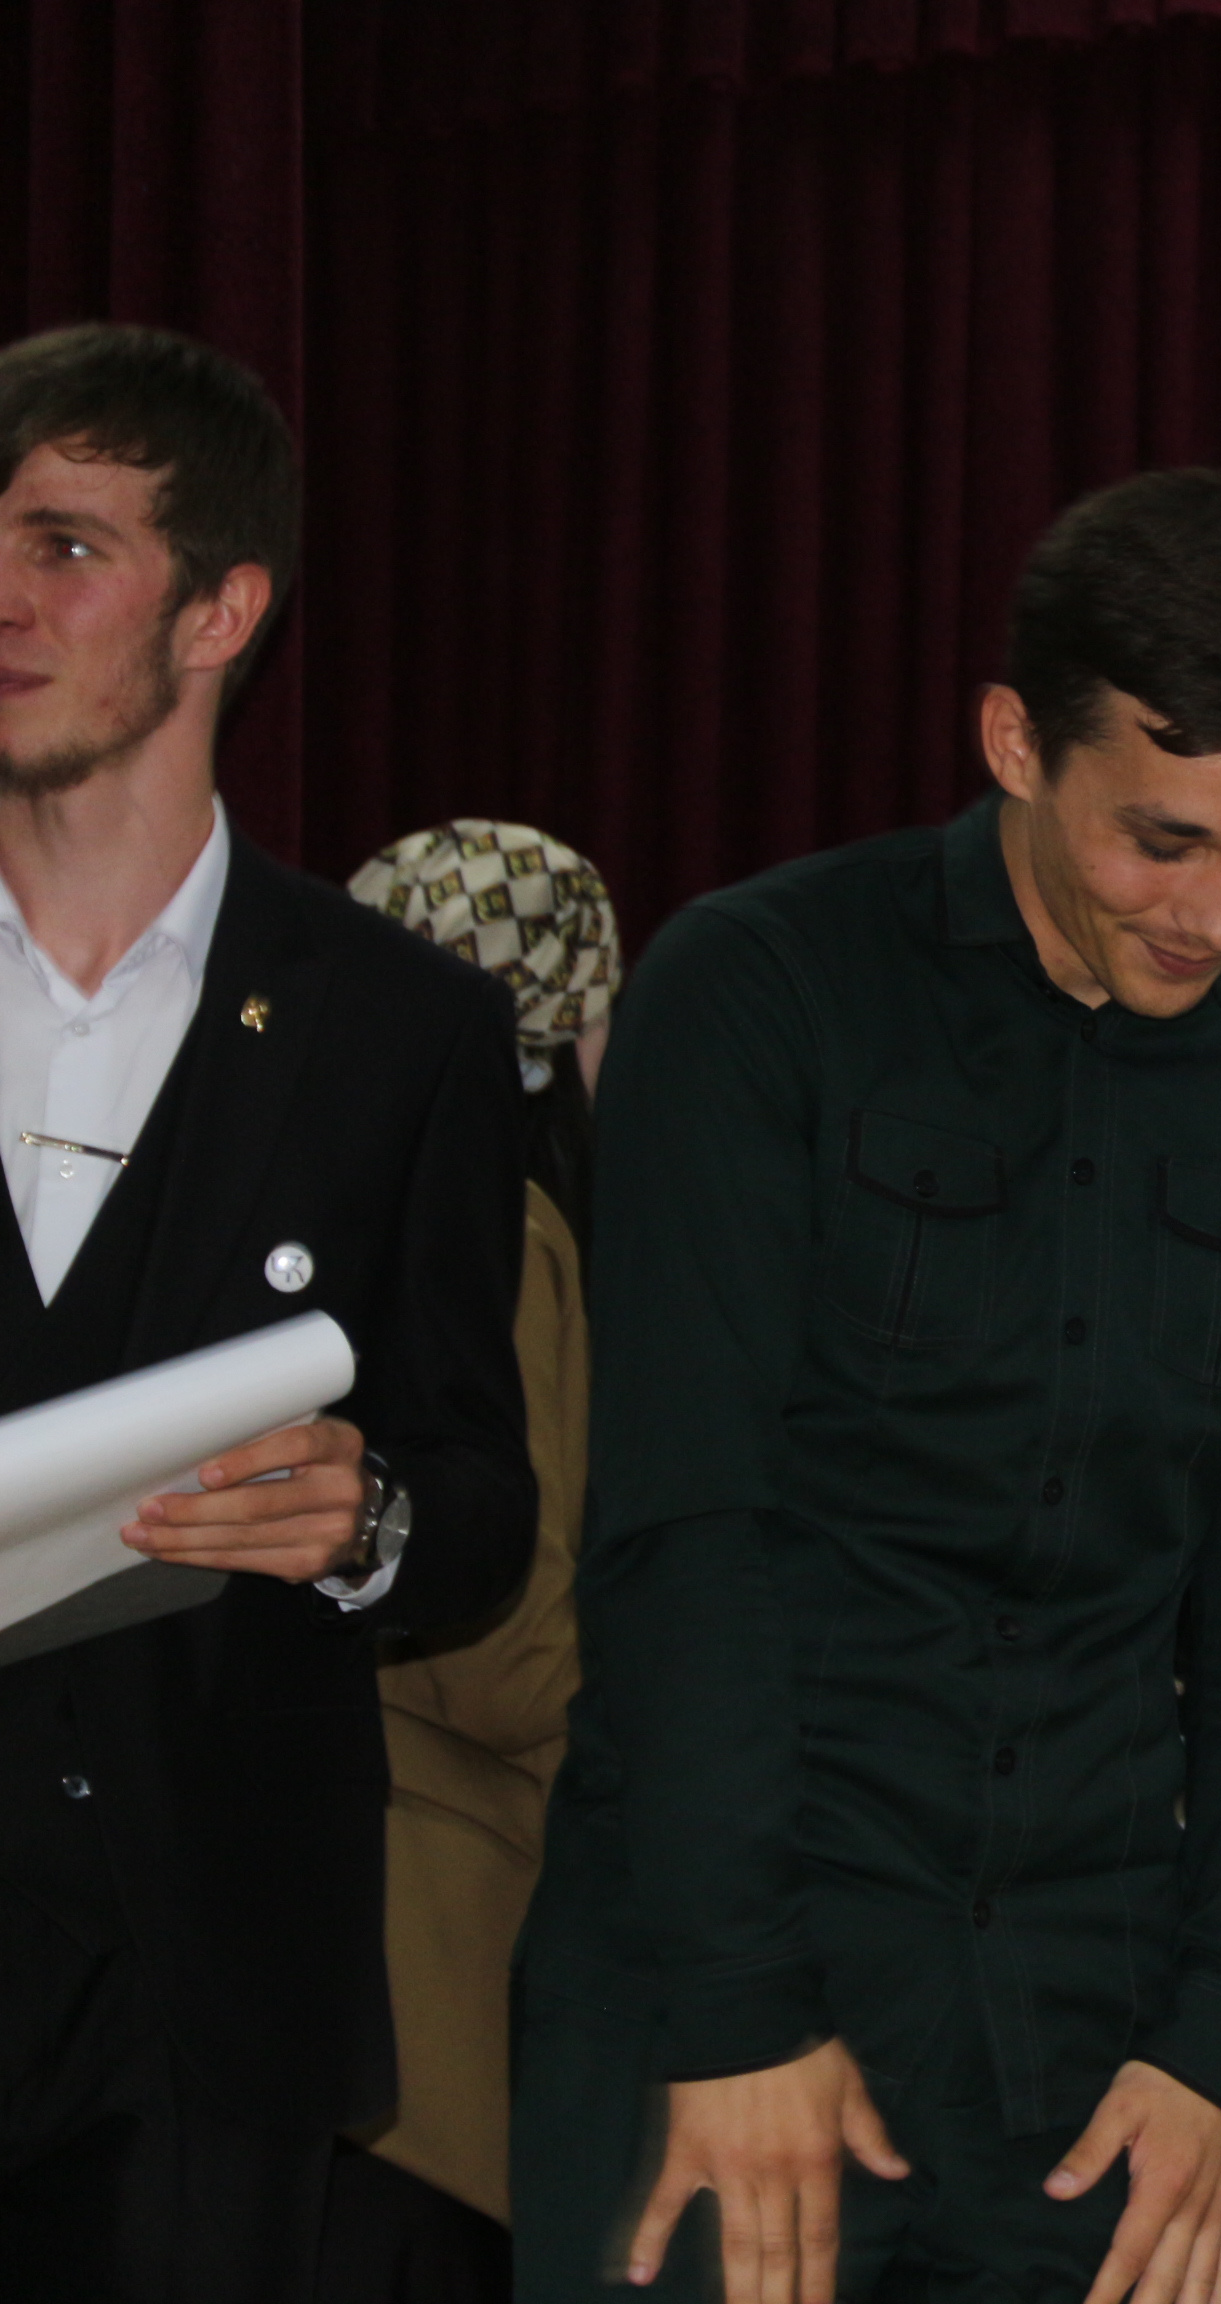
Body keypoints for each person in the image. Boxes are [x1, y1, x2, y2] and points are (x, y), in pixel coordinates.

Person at [512, 468, 1221, 2304]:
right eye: (1165, 840)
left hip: (1093, 2060)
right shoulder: (761, 989)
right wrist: (738, 2007)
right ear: (1013, 742)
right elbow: (682, 1534)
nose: (1219, 912)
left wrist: (1214, 2040)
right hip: (728, 1997)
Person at [0, 322, 537, 2302]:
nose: (3, 595)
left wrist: (366, 1515)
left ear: (223, 611)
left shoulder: (401, 1030)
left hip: (210, 1995)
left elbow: (483, 1506)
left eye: (65, 548)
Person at [328, 821, 622, 2294]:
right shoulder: (504, 1232)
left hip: (286, 1947)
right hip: (424, 1971)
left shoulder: (301, 1195)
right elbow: (506, 1652)